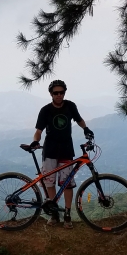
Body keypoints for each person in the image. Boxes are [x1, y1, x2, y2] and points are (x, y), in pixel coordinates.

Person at [29, 79, 94, 229]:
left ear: (64, 93)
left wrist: (86, 128)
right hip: (50, 151)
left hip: (66, 150)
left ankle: (67, 214)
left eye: (61, 92)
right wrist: (35, 141)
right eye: (55, 93)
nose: (59, 95)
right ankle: (53, 213)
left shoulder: (70, 106)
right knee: (49, 183)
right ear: (51, 94)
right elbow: (38, 131)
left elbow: (79, 119)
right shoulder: (45, 110)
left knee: (67, 184)